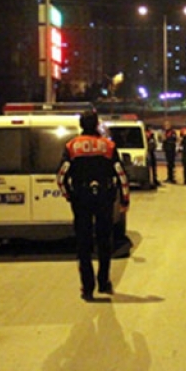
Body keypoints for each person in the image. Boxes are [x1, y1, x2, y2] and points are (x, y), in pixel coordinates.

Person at [57, 111, 130, 301]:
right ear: (97, 124)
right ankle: (104, 282)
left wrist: (69, 195)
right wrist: (124, 200)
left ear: (81, 125)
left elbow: (61, 176)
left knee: (83, 243)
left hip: (81, 198)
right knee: (105, 240)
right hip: (104, 198)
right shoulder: (108, 146)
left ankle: (87, 287)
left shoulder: (72, 146)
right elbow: (121, 175)